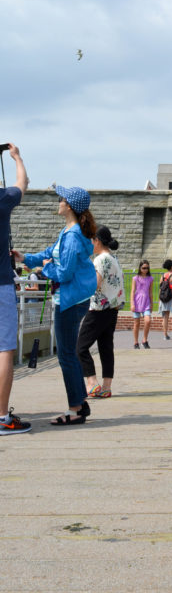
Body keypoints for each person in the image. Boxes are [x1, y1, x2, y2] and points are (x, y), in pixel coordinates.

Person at [19, 185, 97, 425]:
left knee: (66, 355)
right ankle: (80, 404)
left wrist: (43, 269)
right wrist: (25, 258)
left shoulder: (73, 235)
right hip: (72, 299)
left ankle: (75, 410)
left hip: (69, 301)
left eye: (61, 199)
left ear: (70, 206)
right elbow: (49, 253)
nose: (59, 201)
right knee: (68, 353)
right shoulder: (69, 231)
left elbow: (63, 271)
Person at [0, 143, 31, 435]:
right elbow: (23, 183)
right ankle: (2, 418)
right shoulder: (3, 198)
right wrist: (16, 158)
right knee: (5, 349)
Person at [77, 226, 125, 398]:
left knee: (80, 347)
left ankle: (92, 382)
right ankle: (106, 387)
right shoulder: (114, 259)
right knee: (106, 347)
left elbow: (94, 284)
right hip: (112, 309)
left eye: (91, 240)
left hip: (98, 308)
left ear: (96, 240)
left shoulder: (99, 260)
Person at [131, 259, 154, 348]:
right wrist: (132, 304)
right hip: (137, 302)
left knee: (148, 321)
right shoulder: (135, 278)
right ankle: (135, 342)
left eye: (147, 268)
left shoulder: (150, 278)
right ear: (140, 268)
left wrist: (151, 304)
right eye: (144, 268)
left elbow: (151, 292)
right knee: (136, 323)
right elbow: (132, 291)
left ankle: (144, 340)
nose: (145, 270)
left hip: (146, 302)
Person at [159, 258, 172, 340]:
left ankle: (165, 335)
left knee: (165, 317)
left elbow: (160, 288)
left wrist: (160, 298)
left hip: (164, 297)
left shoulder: (163, 276)